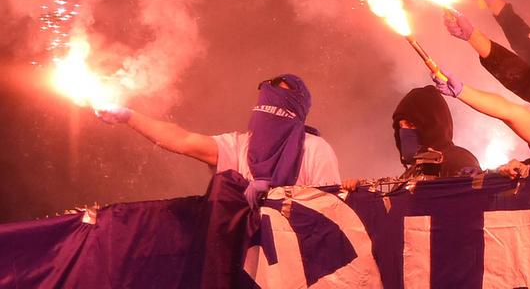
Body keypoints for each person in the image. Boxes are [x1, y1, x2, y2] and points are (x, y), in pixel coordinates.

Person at [96, 74, 340, 208]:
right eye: (265, 104)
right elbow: (182, 140)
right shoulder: (239, 147)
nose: (267, 114)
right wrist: (129, 116)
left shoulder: (315, 150)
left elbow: (331, 211)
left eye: (277, 104)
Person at [391, 86, 480, 179]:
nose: (404, 131)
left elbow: (476, 186)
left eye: (411, 124)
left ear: (433, 124)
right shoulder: (407, 175)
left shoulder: (458, 159)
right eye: (401, 126)